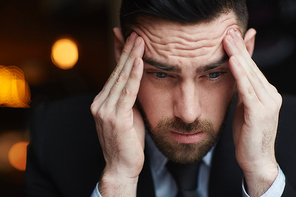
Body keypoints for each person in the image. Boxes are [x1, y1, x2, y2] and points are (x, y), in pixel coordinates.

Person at [24, 0, 296, 196]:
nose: (188, 113)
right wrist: (118, 181)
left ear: (246, 53)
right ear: (121, 51)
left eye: (213, 74)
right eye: (161, 75)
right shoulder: (55, 135)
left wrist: (263, 176)